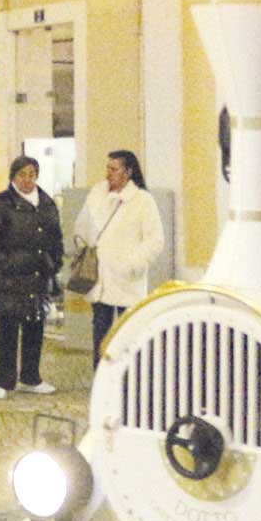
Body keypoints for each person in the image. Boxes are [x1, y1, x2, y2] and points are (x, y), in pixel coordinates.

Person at [0, 155, 64, 399]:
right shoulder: (1, 204)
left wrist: (54, 262)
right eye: (22, 175)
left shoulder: (46, 203)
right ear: (14, 177)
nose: (27, 180)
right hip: (10, 278)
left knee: (35, 327)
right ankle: (4, 381)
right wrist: (2, 263)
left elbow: (56, 236)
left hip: (38, 275)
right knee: (8, 330)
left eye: (31, 175)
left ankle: (31, 376)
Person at [70, 149, 165, 363]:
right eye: (107, 168)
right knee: (100, 330)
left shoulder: (143, 200)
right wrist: (82, 241)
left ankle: (129, 376)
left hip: (126, 277)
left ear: (128, 172)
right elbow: (83, 226)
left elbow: (155, 240)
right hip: (99, 276)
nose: (108, 174)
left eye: (114, 169)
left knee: (128, 331)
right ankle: (101, 375)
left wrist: (133, 263)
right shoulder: (97, 195)